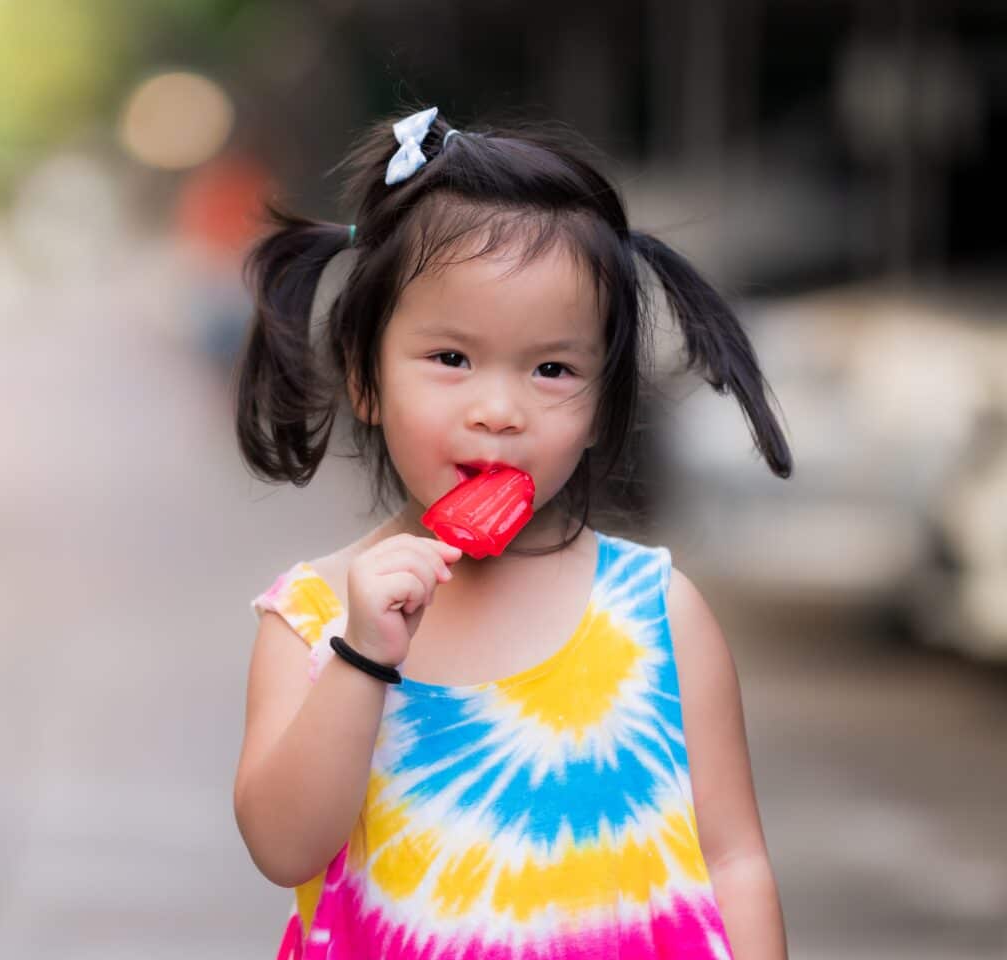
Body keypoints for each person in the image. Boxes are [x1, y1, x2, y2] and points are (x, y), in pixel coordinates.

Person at [230, 105, 793, 960]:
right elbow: (283, 847)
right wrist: (363, 656)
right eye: (451, 359)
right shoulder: (312, 620)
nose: (499, 411)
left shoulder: (658, 612)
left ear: (604, 407)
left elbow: (734, 857)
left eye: (552, 369)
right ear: (365, 378)